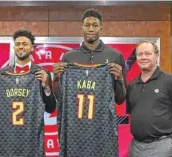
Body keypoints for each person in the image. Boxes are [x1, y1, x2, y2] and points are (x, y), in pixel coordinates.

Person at [52, 8, 126, 157]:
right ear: (82, 28)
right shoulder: (69, 57)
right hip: (74, 131)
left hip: (103, 130)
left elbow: (120, 99)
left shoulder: (115, 56)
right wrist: (56, 78)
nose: (91, 29)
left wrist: (119, 79)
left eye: (95, 25)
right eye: (87, 25)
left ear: (101, 27)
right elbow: (61, 97)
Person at [0, 30, 56, 156]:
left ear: (32, 48)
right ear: (14, 47)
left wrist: (46, 88)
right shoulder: (1, 74)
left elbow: (51, 108)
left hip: (32, 141)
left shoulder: (42, 73)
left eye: (25, 44)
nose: (21, 47)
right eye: (18, 44)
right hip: (7, 141)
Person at [126, 40, 172, 157]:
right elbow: (132, 114)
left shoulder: (171, 82)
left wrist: (169, 139)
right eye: (140, 54)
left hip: (162, 146)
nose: (143, 57)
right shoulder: (131, 85)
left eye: (148, 54)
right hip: (136, 147)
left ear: (156, 55)